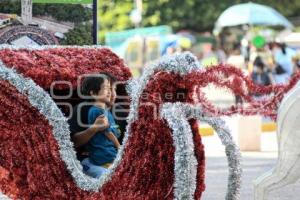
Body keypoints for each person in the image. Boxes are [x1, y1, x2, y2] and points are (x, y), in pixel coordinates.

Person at [79, 74, 121, 178]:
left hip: (109, 152)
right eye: (107, 88)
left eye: (111, 89)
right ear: (93, 93)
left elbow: (114, 130)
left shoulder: (107, 111)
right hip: (103, 155)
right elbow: (108, 132)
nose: (110, 93)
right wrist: (119, 146)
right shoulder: (96, 111)